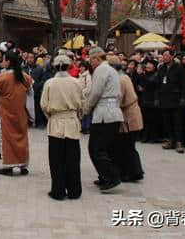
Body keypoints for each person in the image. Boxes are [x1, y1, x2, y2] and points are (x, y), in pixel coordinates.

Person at [40, 54, 84, 200]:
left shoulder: (50, 83)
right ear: (69, 65)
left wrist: (50, 117)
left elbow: (44, 105)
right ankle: (74, 190)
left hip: (56, 122)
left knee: (56, 159)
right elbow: (82, 103)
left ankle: (58, 190)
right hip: (72, 121)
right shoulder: (76, 82)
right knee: (73, 158)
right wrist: (78, 115)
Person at [85, 46, 124, 192]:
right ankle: (105, 176)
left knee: (96, 148)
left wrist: (87, 109)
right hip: (113, 112)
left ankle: (111, 177)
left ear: (96, 58)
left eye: (91, 60)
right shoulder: (112, 70)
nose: (90, 63)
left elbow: (95, 93)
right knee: (106, 148)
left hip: (104, 114)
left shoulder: (101, 70)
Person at [0, 51, 33, 176]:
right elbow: (30, 92)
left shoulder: (3, 77)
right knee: (22, 138)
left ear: (8, 61)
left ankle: (9, 166)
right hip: (20, 112)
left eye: (4, 60)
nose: (2, 62)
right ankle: (23, 165)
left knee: (8, 139)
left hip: (6, 112)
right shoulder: (24, 76)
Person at [108, 55, 144, 183]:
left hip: (128, 116)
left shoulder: (120, 80)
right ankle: (132, 171)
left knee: (126, 146)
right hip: (131, 114)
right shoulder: (125, 77)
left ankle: (132, 172)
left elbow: (118, 98)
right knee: (128, 146)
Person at [157, 49, 185, 153]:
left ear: (172, 56)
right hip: (164, 98)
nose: (164, 57)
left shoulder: (179, 67)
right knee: (167, 121)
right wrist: (157, 98)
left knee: (177, 121)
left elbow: (184, 84)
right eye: (163, 55)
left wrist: (183, 98)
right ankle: (170, 140)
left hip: (176, 98)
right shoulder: (161, 68)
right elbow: (158, 84)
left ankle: (179, 142)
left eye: (166, 55)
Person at [76, 60, 92, 134]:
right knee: (81, 113)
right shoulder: (80, 76)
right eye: (80, 67)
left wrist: (82, 92)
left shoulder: (87, 76)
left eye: (82, 67)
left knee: (86, 113)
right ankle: (82, 127)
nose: (81, 68)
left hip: (85, 97)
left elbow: (89, 87)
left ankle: (87, 127)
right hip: (80, 97)